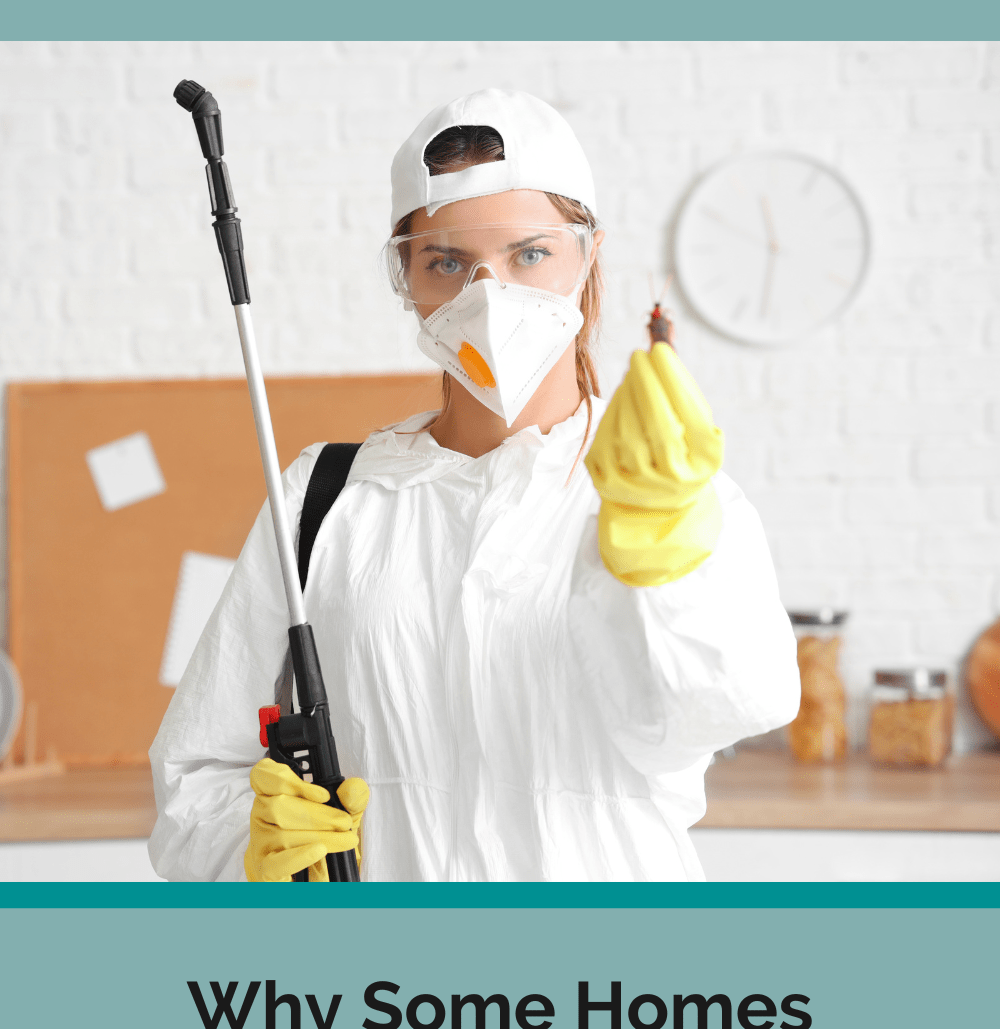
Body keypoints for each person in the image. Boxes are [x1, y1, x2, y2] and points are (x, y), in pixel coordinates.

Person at [149, 90, 799, 883]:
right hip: (393, 1000)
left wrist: (663, 576)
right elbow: (193, 774)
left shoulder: (670, 501)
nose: (487, 296)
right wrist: (245, 848)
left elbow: (728, 711)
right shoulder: (323, 499)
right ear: (407, 278)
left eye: (530, 254)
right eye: (448, 262)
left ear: (587, 258)